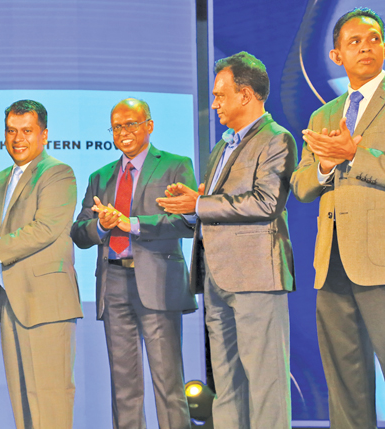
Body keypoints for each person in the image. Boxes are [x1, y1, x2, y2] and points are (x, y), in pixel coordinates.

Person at [157, 52, 296, 428]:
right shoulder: (223, 146)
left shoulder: (276, 139)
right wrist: (189, 205)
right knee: (226, 382)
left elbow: (265, 203)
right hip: (217, 276)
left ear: (246, 95)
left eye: (220, 95)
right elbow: (216, 206)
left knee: (265, 381)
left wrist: (200, 202)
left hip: (256, 277)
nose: (214, 103)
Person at [0, 100, 82, 428]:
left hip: (46, 302)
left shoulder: (57, 173)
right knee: (22, 397)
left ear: (44, 135)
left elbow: (45, 229)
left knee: (50, 397)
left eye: (27, 131)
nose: (18, 138)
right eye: (11, 131)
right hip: (11, 301)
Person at [71, 98, 196, 429]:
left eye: (131, 124)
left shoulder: (174, 164)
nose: (123, 132)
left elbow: (188, 223)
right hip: (113, 284)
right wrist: (103, 225)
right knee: (124, 389)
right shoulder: (101, 177)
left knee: (168, 385)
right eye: (117, 126)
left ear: (149, 126)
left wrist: (133, 224)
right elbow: (79, 233)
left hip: (158, 282)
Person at [291, 8, 385, 428]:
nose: (366, 46)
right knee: (345, 382)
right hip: (332, 264)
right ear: (335, 55)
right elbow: (302, 185)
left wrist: (354, 155)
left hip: (379, 262)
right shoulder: (323, 116)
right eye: (354, 42)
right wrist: (326, 167)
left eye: (374, 38)